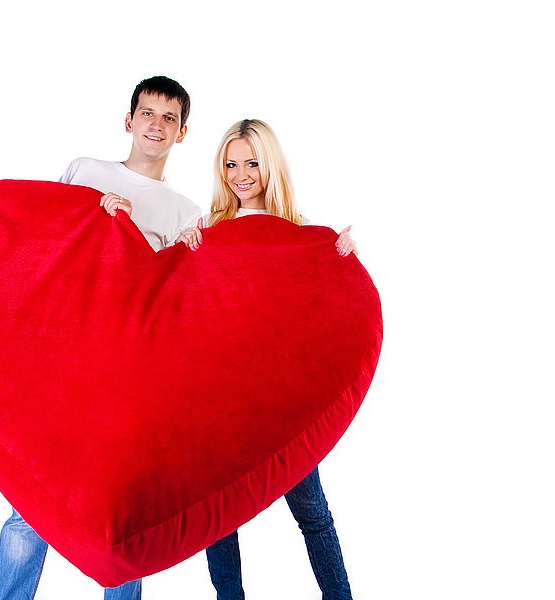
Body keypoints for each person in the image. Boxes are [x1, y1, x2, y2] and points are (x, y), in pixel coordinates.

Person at [0, 75, 200, 600]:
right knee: (31, 507)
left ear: (182, 133)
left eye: (169, 119)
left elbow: (173, 301)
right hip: (61, 361)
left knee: (119, 521)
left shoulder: (185, 211)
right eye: (148, 113)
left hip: (126, 377)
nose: (156, 126)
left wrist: (179, 248)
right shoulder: (85, 171)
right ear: (129, 120)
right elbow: (40, 236)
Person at [176, 118, 356, 600]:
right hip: (222, 400)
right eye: (230, 164)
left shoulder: (298, 234)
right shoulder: (209, 229)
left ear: (270, 166)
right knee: (219, 520)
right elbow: (186, 309)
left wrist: (343, 261)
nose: (240, 174)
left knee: (311, 510)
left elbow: (322, 315)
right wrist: (189, 250)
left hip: (281, 402)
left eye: (252, 162)